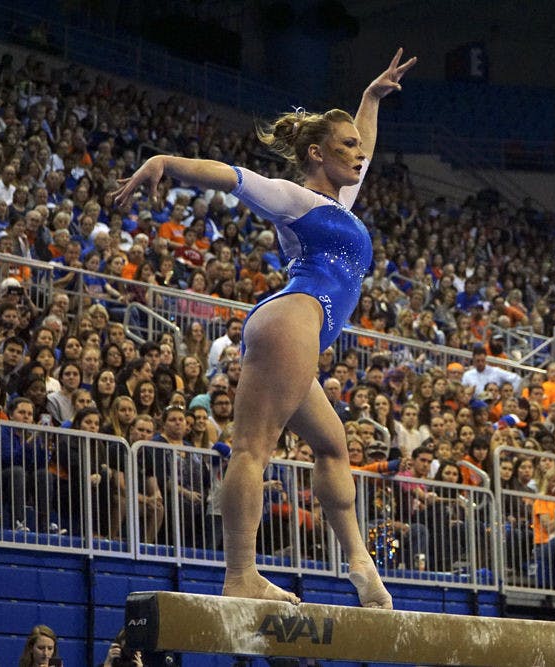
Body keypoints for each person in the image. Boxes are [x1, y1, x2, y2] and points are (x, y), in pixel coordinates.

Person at [110, 49, 416, 608]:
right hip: (292, 318)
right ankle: (240, 574)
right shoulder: (294, 196)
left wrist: (369, 99)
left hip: (300, 328)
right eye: (347, 146)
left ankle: (361, 567)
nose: (360, 152)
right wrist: (165, 161)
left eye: (359, 144)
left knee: (332, 443)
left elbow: (363, 145)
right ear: (316, 154)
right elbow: (230, 177)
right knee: (252, 449)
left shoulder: (342, 200)